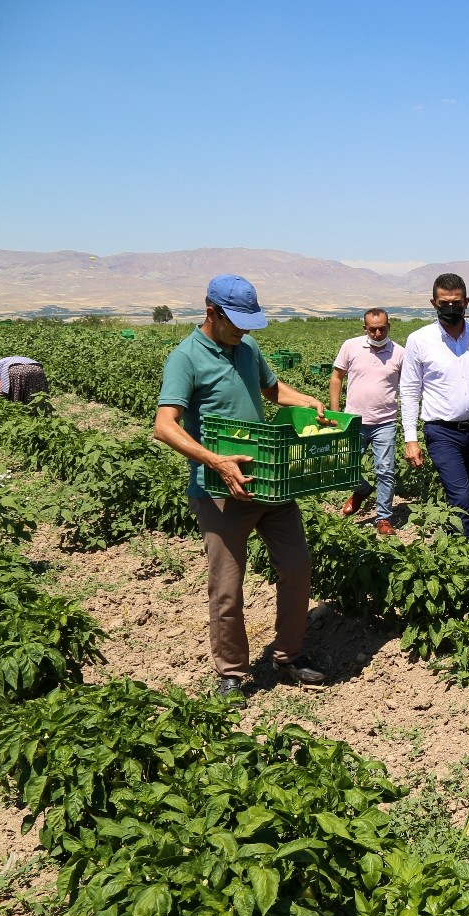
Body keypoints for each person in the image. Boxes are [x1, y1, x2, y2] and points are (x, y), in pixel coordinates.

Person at [152, 274, 330, 696]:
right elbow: (164, 426)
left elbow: (271, 388)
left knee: (297, 567)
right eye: (236, 322)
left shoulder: (247, 346)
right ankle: (231, 671)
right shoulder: (186, 357)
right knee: (228, 587)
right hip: (220, 492)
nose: (244, 330)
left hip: (270, 479)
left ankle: (288, 656)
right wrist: (217, 461)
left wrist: (304, 399)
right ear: (211, 312)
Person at [400, 273, 469, 538]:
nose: (451, 308)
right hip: (442, 432)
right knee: (461, 497)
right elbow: (410, 391)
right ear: (434, 303)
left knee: (468, 498)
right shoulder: (419, 340)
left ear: (467, 302)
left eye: (456, 302)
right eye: (444, 303)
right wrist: (411, 438)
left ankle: (454, 545)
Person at [331, 308, 404, 536]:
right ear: (365, 328)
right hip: (353, 420)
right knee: (342, 465)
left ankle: (383, 518)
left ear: (389, 327)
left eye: (382, 328)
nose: (378, 332)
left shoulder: (400, 353)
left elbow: (410, 387)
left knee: (385, 471)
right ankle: (362, 489)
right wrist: (335, 414)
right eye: (372, 329)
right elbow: (336, 377)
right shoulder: (350, 346)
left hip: (385, 422)